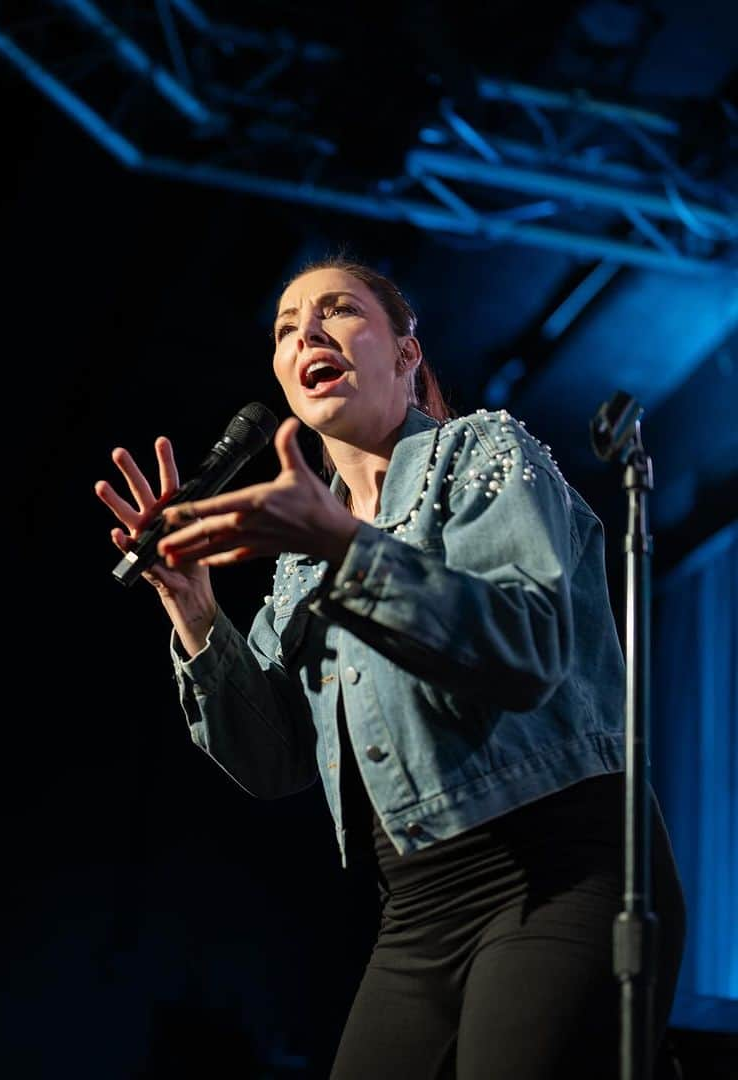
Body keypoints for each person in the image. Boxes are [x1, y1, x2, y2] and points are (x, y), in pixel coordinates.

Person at [94, 255, 686, 1079]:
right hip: (417, 910)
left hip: (561, 870)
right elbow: (276, 762)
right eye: (285, 327)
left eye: (337, 311)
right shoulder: (300, 564)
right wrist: (196, 611)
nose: (306, 331)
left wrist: (347, 548)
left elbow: (525, 653)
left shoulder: (481, 451)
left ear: (407, 356)